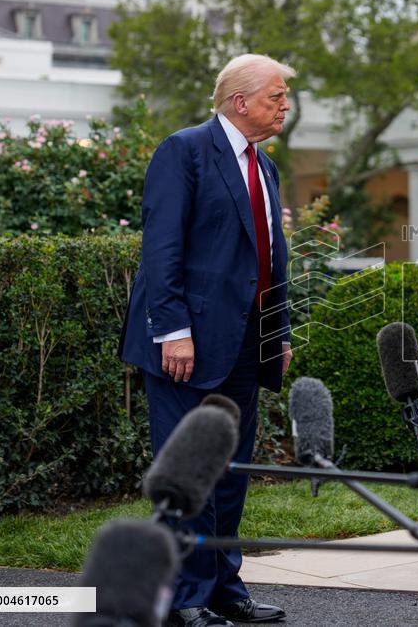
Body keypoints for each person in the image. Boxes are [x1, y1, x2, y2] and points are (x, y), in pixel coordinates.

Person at [120, 53, 293, 627]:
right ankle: (182, 598)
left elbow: (270, 259)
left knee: (231, 470)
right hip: (184, 344)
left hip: (245, 343)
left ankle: (222, 586)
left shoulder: (263, 166)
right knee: (188, 472)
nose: (286, 104)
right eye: (277, 95)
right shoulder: (184, 151)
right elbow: (162, 249)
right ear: (240, 102)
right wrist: (173, 331)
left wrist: (278, 333)